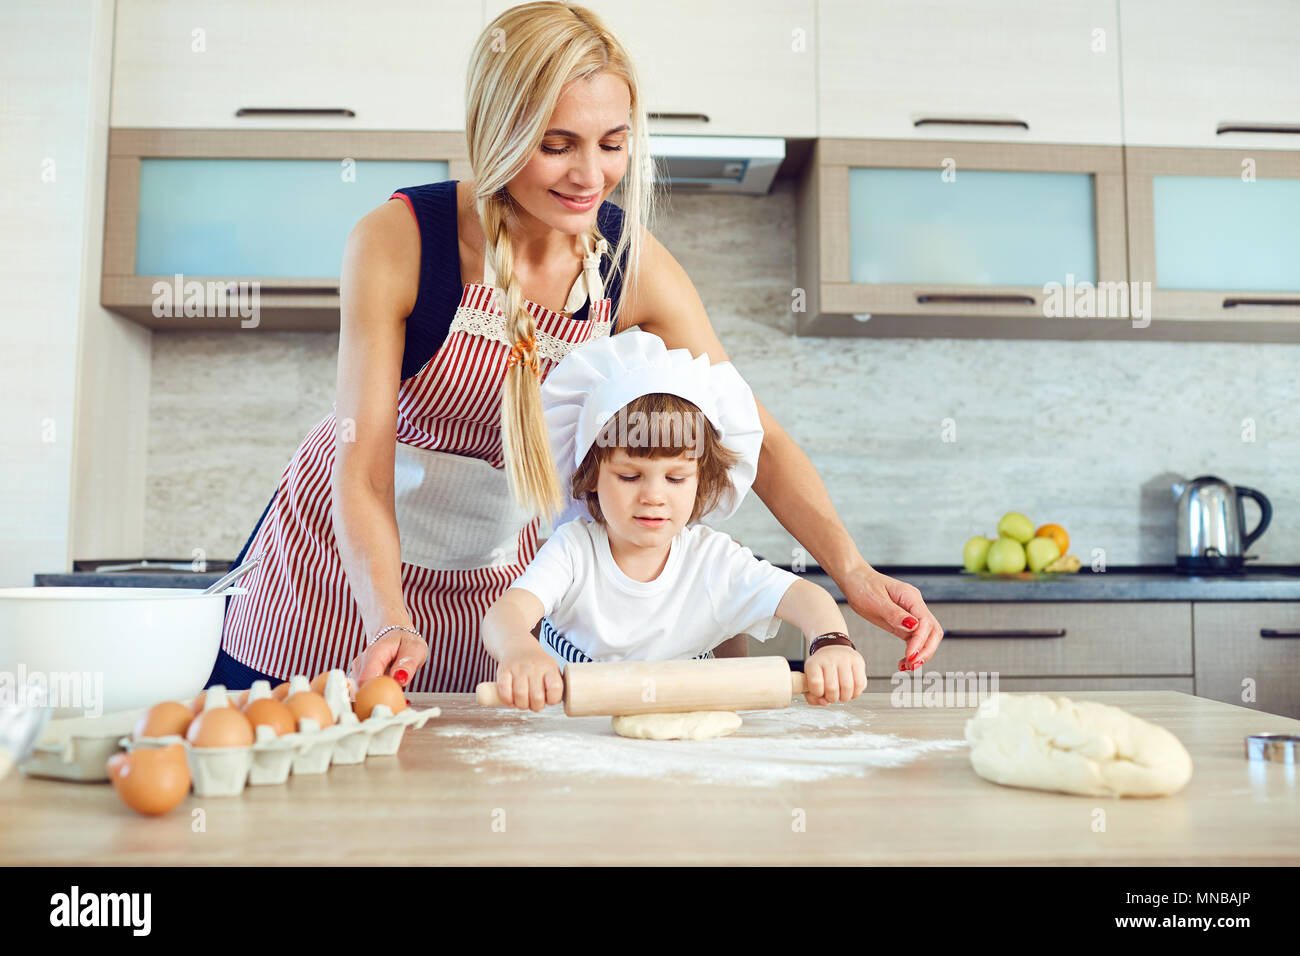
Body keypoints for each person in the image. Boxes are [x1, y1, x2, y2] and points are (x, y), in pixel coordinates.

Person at [209, 1, 944, 695]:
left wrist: (851, 570)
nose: (590, 175)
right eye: (556, 145)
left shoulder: (630, 263)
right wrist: (388, 617)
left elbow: (756, 430)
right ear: (496, 132)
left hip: (493, 586)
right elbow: (361, 466)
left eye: (613, 144)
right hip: (339, 574)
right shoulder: (402, 241)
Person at [482, 330, 866, 711]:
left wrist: (831, 641)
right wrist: (519, 650)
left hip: (685, 756)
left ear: (703, 481)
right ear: (591, 475)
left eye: (676, 478)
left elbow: (804, 596)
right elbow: (507, 613)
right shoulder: (574, 552)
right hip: (570, 744)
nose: (653, 496)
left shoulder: (711, 559)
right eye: (630, 476)